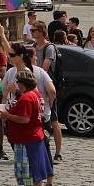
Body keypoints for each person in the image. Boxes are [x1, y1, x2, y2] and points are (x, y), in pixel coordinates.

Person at [0, 69, 53, 186]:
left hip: (27, 139)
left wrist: (7, 116)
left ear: (22, 84)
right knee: (37, 172)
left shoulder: (26, 98)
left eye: (18, 83)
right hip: (36, 137)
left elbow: (24, 119)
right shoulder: (35, 94)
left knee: (29, 173)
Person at [30, 21, 62, 162]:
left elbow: (44, 69)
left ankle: (58, 151)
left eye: (34, 30)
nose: (32, 32)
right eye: (31, 30)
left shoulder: (49, 48)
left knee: (53, 121)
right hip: (35, 88)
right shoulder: (33, 47)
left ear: (42, 31)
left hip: (48, 88)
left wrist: (33, 76)